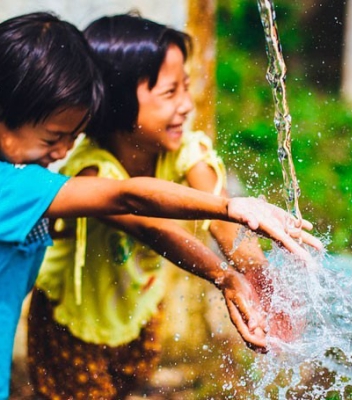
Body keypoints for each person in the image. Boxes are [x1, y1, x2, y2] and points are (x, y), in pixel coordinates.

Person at [0, 12, 321, 399]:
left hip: (138, 309)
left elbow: (218, 214)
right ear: (116, 102)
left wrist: (254, 272)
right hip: (74, 319)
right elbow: (143, 213)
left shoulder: (184, 149)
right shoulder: (77, 173)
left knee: (126, 386)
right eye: (170, 93)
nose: (186, 105)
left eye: (186, 88)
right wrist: (223, 268)